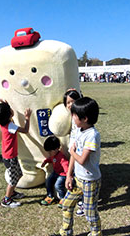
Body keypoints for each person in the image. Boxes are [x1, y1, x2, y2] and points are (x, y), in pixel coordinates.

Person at [51, 97, 102, 236]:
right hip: (78, 179)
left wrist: (71, 151)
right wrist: (68, 175)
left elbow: (82, 159)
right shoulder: (79, 130)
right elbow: (74, 156)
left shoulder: (92, 135)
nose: (72, 117)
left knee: (90, 211)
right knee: (66, 204)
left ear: (84, 118)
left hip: (90, 181)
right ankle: (66, 232)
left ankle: (96, 233)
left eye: (74, 115)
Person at [0, 101, 31, 208]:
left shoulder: (3, 122)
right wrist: (27, 118)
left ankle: (12, 193)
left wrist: (5, 104)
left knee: (19, 174)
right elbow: (26, 130)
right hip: (10, 157)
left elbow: (7, 116)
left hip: (8, 156)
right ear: (9, 114)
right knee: (13, 180)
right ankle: (6, 200)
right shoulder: (10, 126)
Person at [63, 89, 84, 216]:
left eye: (73, 101)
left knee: (81, 179)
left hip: (79, 152)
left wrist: (68, 174)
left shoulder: (80, 119)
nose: (70, 105)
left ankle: (84, 203)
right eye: (68, 102)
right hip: (75, 150)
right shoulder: (72, 116)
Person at [41, 136, 69, 207]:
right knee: (48, 181)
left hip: (63, 174)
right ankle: (50, 196)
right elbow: (51, 159)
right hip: (56, 172)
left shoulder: (61, 157)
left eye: (50, 151)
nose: (49, 153)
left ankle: (63, 199)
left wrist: (68, 175)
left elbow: (66, 165)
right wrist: (45, 162)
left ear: (57, 149)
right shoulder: (53, 155)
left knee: (58, 185)